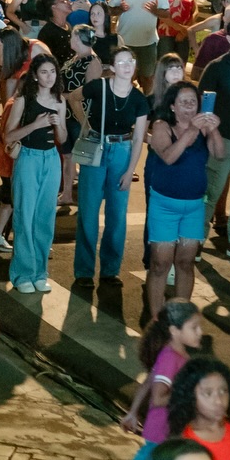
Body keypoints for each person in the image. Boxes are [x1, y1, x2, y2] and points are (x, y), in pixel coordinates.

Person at [71, 43, 150, 286]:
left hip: (122, 151)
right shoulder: (99, 87)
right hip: (96, 147)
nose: (127, 66)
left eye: (131, 62)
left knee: (117, 215)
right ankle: (84, 272)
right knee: (88, 211)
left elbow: (138, 138)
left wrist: (130, 171)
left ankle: (110, 270)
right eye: (122, 62)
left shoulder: (139, 99)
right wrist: (85, 122)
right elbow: (73, 97)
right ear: (113, 67)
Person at [143, 81, 221, 318]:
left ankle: (180, 317)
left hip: (194, 206)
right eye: (183, 102)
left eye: (193, 102)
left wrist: (215, 129)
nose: (189, 106)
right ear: (173, 107)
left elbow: (220, 153)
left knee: (186, 263)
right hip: (164, 205)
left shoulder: (205, 128)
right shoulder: (161, 127)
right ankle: (157, 320)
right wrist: (191, 132)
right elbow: (168, 157)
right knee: (160, 264)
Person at [4, 48, 69, 294]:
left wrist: (57, 125)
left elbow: (62, 137)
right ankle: (22, 274)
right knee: (24, 216)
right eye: (44, 72)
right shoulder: (23, 100)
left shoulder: (60, 101)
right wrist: (36, 124)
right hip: (28, 159)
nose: (49, 76)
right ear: (35, 76)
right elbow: (8, 135)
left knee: (45, 218)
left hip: (51, 159)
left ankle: (40, 272)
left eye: (53, 71)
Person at [120, 300, 203, 445]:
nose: (200, 332)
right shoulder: (170, 358)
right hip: (164, 434)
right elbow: (158, 399)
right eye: (194, 327)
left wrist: (133, 413)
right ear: (175, 331)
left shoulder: (175, 353)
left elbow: (147, 383)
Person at [107, 0, 168, 88]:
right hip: (125, 40)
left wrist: (155, 11)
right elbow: (110, 10)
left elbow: (167, 13)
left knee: (147, 78)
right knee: (124, 78)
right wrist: (120, 9)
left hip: (148, 41)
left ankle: (147, 107)